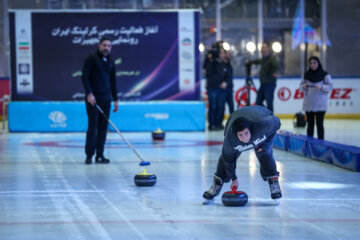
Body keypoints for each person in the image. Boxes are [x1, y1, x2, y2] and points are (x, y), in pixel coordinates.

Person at [203, 105, 282, 203]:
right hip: (234, 116)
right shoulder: (231, 140)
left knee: (264, 152)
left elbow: (277, 123)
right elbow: (228, 159)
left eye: (246, 133)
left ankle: (273, 179)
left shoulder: (263, 125)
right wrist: (233, 178)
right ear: (235, 134)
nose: (244, 138)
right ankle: (217, 182)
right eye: (240, 135)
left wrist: (266, 145)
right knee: (225, 158)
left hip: (260, 113)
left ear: (250, 130)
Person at [81, 36, 119, 164]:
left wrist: (115, 99)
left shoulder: (111, 62)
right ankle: (89, 155)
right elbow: (84, 77)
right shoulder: (92, 59)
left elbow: (113, 81)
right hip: (93, 99)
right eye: (104, 45)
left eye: (109, 46)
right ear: (99, 46)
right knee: (93, 127)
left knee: (103, 127)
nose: (106, 48)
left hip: (106, 99)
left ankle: (100, 155)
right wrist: (89, 93)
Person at [300, 56, 333, 140]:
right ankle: (309, 143)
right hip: (309, 104)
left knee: (319, 124)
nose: (313, 65)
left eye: (315, 63)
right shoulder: (306, 75)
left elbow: (330, 87)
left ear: (318, 63)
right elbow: (300, 87)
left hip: (320, 104)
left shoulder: (325, 75)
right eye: (311, 63)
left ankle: (321, 143)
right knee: (310, 124)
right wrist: (304, 86)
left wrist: (321, 87)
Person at [246, 43, 279, 112]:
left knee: (269, 102)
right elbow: (258, 61)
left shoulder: (271, 58)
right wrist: (249, 62)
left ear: (268, 49)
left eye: (264, 47)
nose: (263, 49)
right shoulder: (264, 59)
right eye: (262, 48)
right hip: (263, 83)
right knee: (258, 101)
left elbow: (276, 66)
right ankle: (264, 114)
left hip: (269, 83)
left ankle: (270, 119)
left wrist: (272, 74)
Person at [203, 44, 228, 131]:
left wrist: (225, 82)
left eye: (224, 53)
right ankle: (212, 124)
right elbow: (208, 72)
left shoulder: (224, 64)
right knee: (213, 107)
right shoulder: (211, 62)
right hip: (213, 88)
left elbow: (227, 75)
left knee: (220, 107)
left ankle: (218, 123)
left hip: (222, 89)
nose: (223, 54)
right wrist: (209, 57)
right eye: (221, 53)